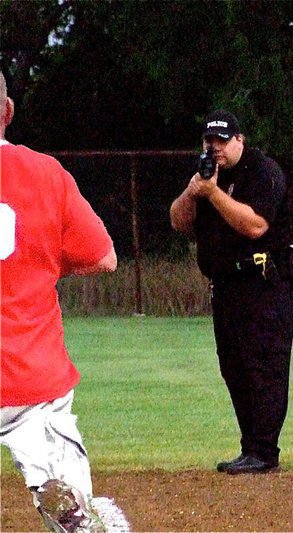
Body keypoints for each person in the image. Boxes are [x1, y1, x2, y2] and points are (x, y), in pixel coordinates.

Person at [0, 70, 120, 532]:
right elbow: (104, 257)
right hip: (29, 374)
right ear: (8, 111)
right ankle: (69, 507)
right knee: (73, 510)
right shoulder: (46, 173)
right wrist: (42, 265)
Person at [170, 109, 293, 475]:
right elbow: (179, 222)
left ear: (239, 140)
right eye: (209, 141)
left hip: (261, 283)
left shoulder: (263, 171)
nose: (215, 148)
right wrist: (193, 191)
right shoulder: (207, 173)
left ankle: (265, 451)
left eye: (222, 141)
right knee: (234, 367)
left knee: (264, 366)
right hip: (224, 286)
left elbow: (255, 226)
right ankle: (249, 447)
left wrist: (213, 193)